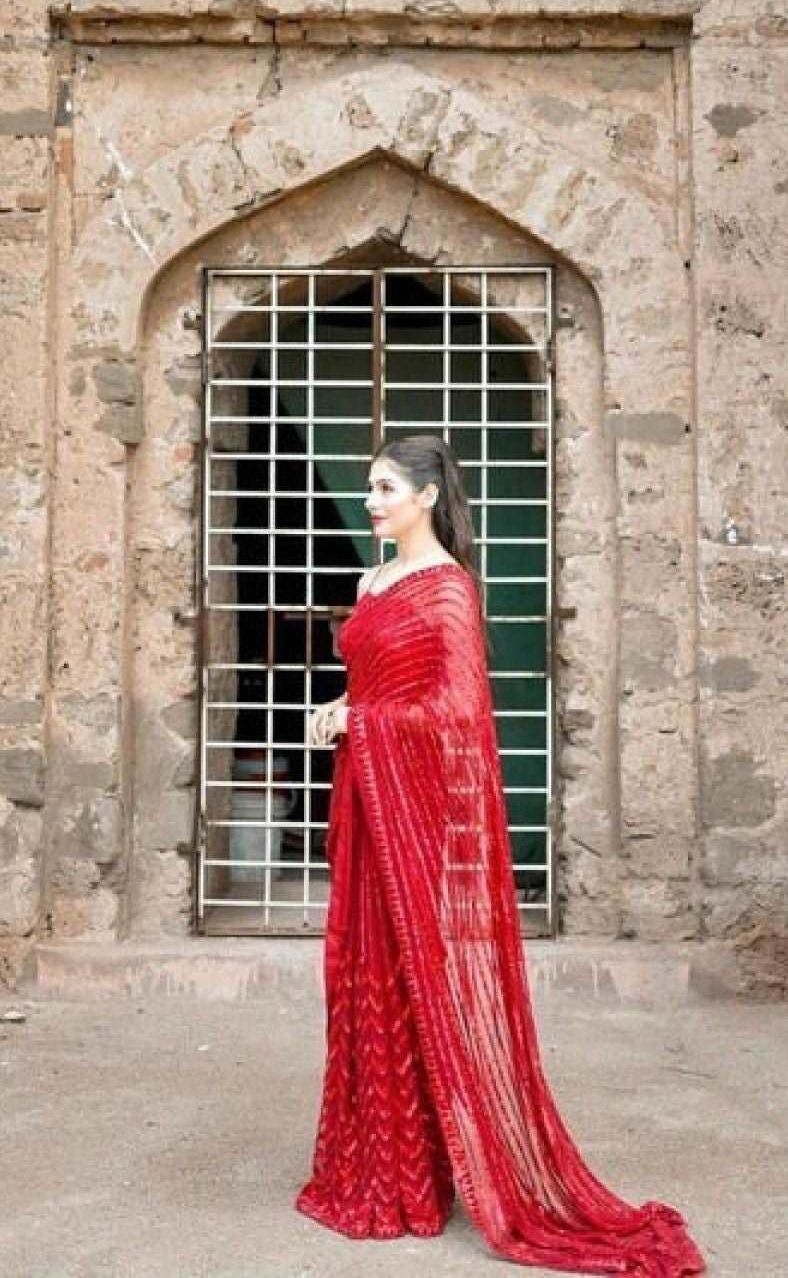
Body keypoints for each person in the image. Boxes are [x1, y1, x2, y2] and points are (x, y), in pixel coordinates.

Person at [295, 433, 706, 1275]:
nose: (370, 502)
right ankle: (378, 1162)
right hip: (368, 804)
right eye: (369, 488)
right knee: (362, 972)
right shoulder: (373, 581)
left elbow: (454, 716)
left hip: (406, 808)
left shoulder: (447, 593)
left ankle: (421, 1174)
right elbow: (381, 680)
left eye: (384, 489)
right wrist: (346, 702)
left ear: (427, 499)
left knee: (418, 975)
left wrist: (360, 723)